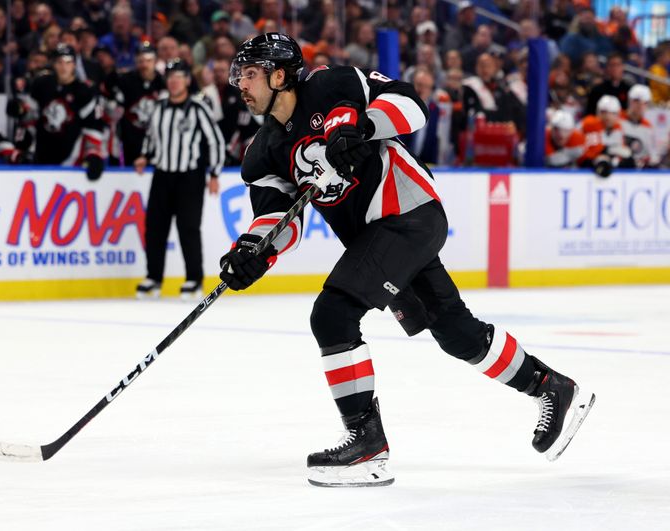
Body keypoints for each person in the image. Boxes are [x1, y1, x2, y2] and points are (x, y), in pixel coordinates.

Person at [221, 33, 595, 488]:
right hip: (376, 237)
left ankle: (366, 443)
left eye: (251, 74)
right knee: (457, 333)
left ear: (280, 75)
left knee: (333, 314)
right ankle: (551, 387)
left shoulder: (331, 84)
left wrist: (360, 126)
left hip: (409, 214)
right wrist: (252, 253)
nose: (241, 83)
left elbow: (411, 103)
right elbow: (279, 218)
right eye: (239, 74)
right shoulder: (262, 151)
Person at [134, 59, 225, 300]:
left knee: (188, 228)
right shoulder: (158, 107)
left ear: (187, 80)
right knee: (154, 228)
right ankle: (153, 277)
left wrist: (214, 173)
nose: (174, 81)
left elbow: (215, 141)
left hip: (190, 177)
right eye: (171, 76)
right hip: (162, 174)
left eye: (179, 76)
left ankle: (193, 279)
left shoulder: (198, 108)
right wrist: (145, 155)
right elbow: (151, 137)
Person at [29, 44, 104, 181]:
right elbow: (29, 118)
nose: (64, 68)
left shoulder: (84, 90)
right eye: (60, 63)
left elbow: (93, 127)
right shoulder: (41, 84)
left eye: (68, 63)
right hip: (41, 156)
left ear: (74, 65)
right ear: (53, 64)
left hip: (72, 161)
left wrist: (93, 154)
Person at [114, 43, 165, 166]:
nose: (144, 65)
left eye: (148, 61)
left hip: (158, 145)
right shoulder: (125, 81)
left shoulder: (164, 83)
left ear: (155, 61)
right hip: (130, 143)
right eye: (141, 61)